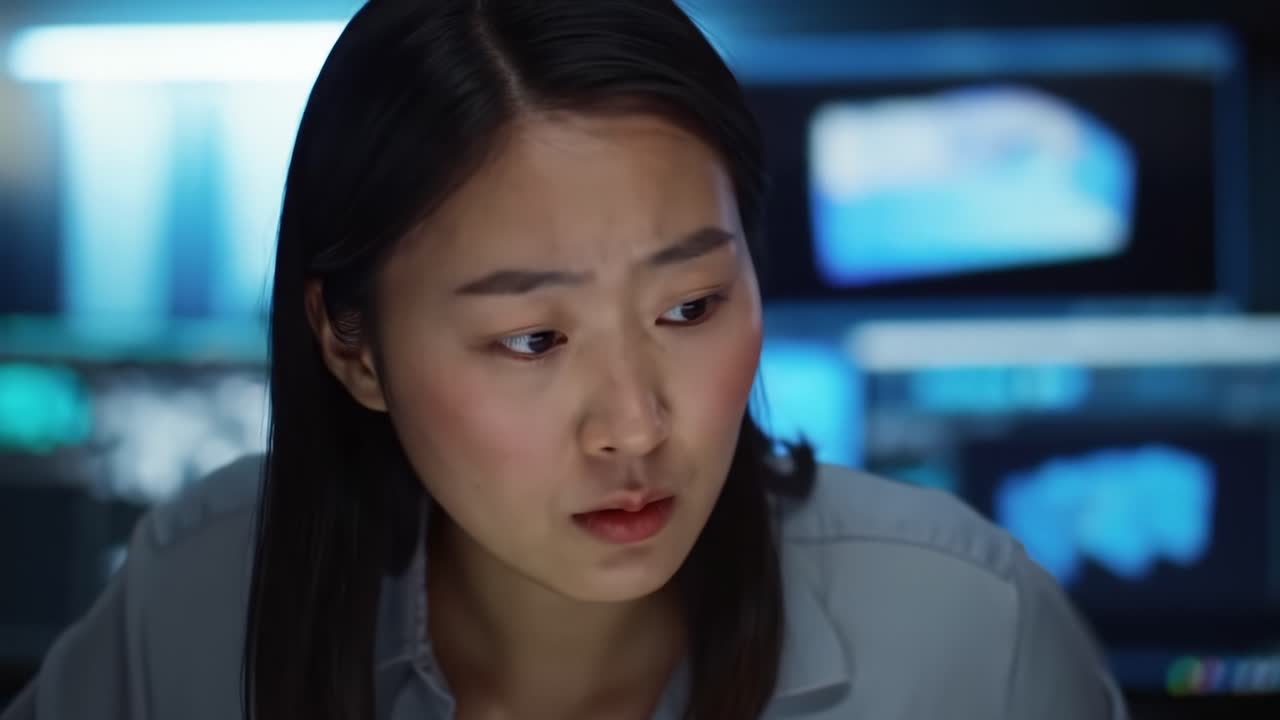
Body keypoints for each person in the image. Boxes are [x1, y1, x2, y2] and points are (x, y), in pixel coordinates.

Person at [2, 1, 1129, 718]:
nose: (634, 426)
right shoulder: (197, 600)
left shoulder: (965, 636)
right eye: (532, 340)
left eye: (689, 308)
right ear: (353, 348)